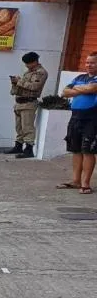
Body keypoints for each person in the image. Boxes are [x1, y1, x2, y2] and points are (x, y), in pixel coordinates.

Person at [59, 52, 97, 195]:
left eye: (92, 63)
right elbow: (64, 92)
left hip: (92, 118)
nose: (88, 65)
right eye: (87, 62)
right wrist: (83, 90)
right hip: (76, 117)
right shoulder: (80, 77)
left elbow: (92, 89)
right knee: (76, 149)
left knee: (88, 150)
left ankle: (85, 183)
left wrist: (75, 90)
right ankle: (75, 180)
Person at [7, 52, 49, 159]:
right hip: (20, 102)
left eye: (28, 63)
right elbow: (22, 86)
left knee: (27, 127)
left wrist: (19, 81)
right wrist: (14, 83)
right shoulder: (28, 73)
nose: (26, 65)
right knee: (19, 127)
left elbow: (34, 86)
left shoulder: (41, 72)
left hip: (29, 103)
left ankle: (29, 149)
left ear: (34, 61)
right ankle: (18, 146)